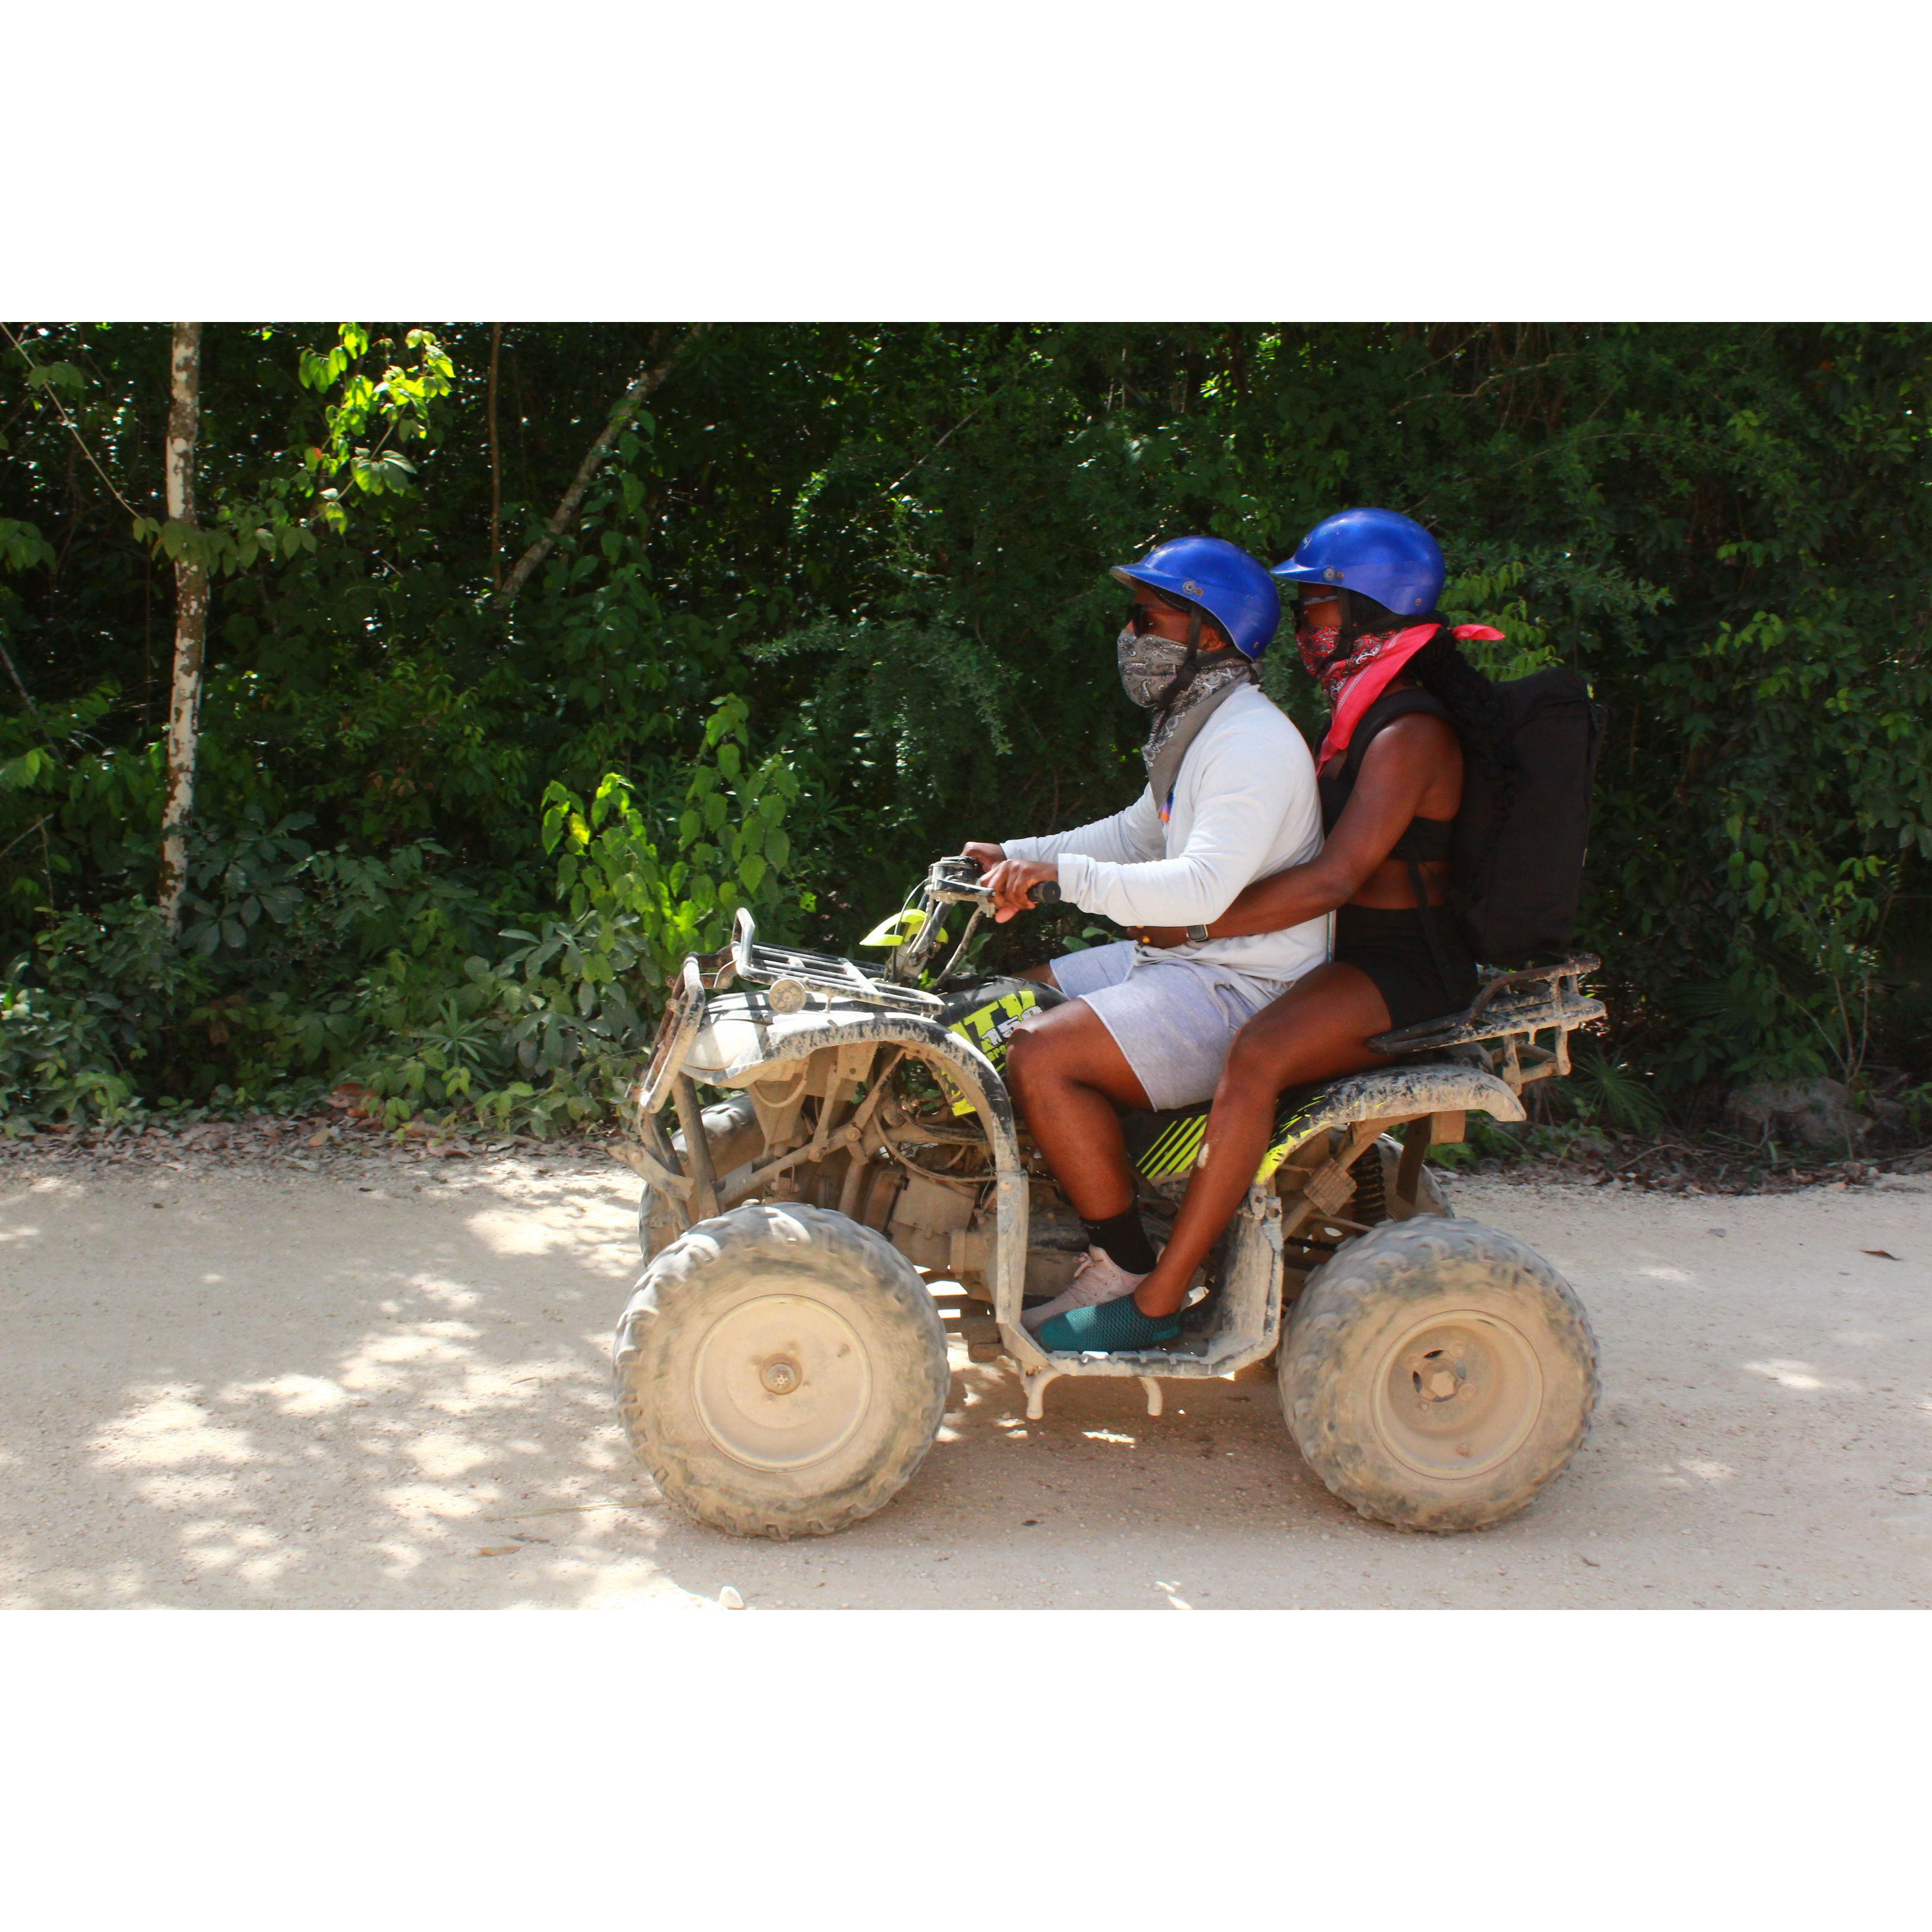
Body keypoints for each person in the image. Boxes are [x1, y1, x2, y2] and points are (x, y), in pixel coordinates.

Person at [1033, 506, 1512, 1353]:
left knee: (1256, 1057)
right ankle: (1136, 1200)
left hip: (1402, 965)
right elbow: (1153, 831)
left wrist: (1189, 930)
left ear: (1371, 611)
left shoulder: (1408, 730)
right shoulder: (1360, 709)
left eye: (1320, 606)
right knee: (1035, 998)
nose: (1306, 628)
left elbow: (1333, 878)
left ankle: (1159, 1301)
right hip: (1350, 951)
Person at [962, 536, 1328, 1331]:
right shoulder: (1196, 726)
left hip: (1241, 984)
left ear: (1212, 632)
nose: (1131, 637)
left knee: (1041, 1053)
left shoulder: (1250, 744)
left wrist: (1060, 880)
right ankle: (1065, 1189)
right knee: (1018, 994)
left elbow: (1200, 887)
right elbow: (1136, 835)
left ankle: (1124, 1264)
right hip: (1184, 961)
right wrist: (1015, 855)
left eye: (1147, 617)